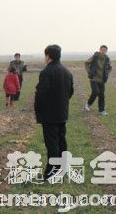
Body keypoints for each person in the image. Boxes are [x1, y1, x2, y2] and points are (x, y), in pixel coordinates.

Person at [34, 45, 74, 181]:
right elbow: (70, 92)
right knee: (62, 141)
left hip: (49, 114)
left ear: (48, 56)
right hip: (62, 112)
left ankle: (51, 172)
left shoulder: (47, 72)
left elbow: (41, 94)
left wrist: (39, 110)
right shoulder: (66, 71)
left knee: (52, 143)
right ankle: (63, 168)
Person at [84, 45, 112, 116]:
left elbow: (110, 67)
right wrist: (89, 72)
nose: (103, 51)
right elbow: (86, 63)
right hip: (94, 78)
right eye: (102, 50)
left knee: (102, 95)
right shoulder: (95, 56)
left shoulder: (107, 59)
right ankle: (88, 104)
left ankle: (101, 111)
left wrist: (107, 73)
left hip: (102, 80)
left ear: (106, 51)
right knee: (95, 92)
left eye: (104, 50)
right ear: (99, 50)